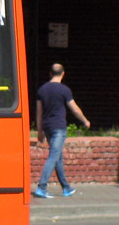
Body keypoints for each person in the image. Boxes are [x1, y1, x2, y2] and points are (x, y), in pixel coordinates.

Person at [34, 63, 90, 198]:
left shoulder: (42, 90)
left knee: (57, 157)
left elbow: (39, 112)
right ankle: (41, 187)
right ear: (63, 74)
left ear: (50, 73)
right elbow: (74, 108)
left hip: (47, 126)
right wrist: (84, 120)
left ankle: (66, 188)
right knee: (54, 156)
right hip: (59, 127)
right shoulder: (64, 90)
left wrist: (39, 130)